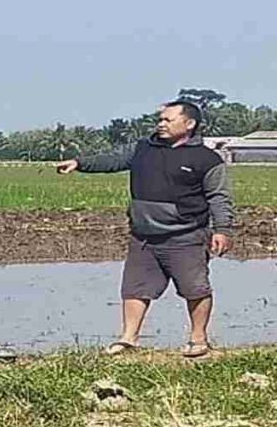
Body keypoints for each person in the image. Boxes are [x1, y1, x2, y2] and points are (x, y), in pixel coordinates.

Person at [56, 100, 233, 358]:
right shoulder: (142, 148)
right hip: (143, 236)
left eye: (168, 120)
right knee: (134, 288)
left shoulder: (207, 159)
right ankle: (129, 339)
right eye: (160, 119)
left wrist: (223, 229)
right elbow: (112, 159)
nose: (161, 124)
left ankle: (198, 340)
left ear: (189, 124)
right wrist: (79, 163)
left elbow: (219, 197)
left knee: (195, 288)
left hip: (186, 236)